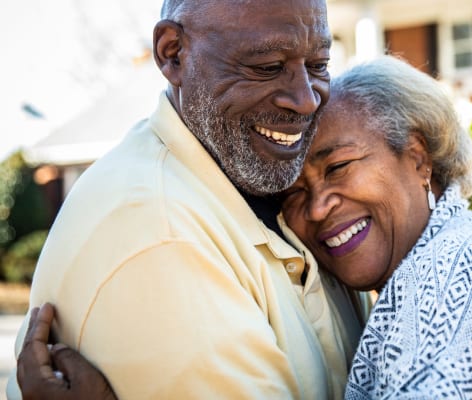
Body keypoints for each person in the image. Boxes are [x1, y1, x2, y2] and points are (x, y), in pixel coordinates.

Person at [17, 55, 472, 399]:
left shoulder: (465, 279)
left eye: (341, 166)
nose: (320, 206)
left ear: (419, 156)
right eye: (296, 193)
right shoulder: (423, 279)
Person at [9, 0, 370, 399]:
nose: (306, 100)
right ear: (173, 53)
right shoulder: (158, 232)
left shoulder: (271, 190)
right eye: (266, 67)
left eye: (318, 66)